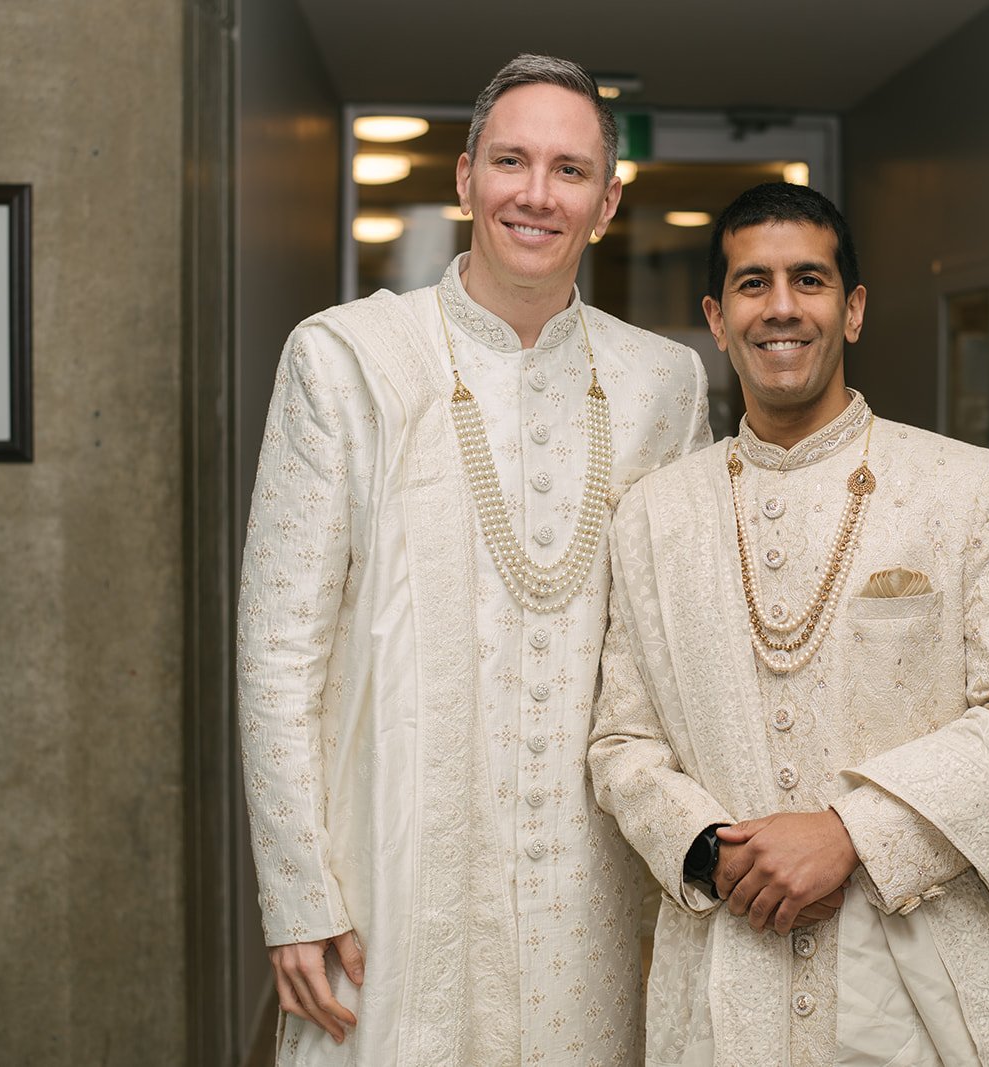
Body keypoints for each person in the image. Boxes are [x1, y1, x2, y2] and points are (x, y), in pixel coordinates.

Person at [238, 54, 711, 1065]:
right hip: (390, 859)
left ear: (607, 200)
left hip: (590, 882)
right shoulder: (346, 358)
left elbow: (675, 652)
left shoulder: (664, 383)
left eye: (569, 170)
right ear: (463, 179)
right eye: (511, 161)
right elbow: (278, 648)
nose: (535, 194)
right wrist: (297, 891)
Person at [589, 182, 989, 1066]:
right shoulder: (652, 518)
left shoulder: (972, 488)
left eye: (809, 280)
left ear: (852, 309)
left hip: (924, 979)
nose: (781, 308)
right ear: (715, 317)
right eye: (752, 284)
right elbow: (621, 741)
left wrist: (851, 831)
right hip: (727, 978)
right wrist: (711, 850)